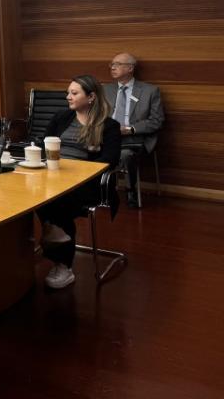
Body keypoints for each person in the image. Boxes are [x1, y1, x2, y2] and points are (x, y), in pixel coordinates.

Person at [38, 75, 121, 289]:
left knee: (56, 200)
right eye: (69, 92)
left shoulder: (109, 125)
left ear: (91, 97)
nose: (68, 97)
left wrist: (73, 171)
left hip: (87, 184)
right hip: (52, 176)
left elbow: (110, 159)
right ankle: (51, 231)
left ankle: (63, 265)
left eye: (74, 93)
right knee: (26, 191)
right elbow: (43, 144)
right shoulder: (61, 117)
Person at [104, 53, 165, 208]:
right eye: (112, 64)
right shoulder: (105, 90)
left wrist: (130, 129)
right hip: (109, 137)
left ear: (130, 68)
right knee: (89, 149)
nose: (112, 67)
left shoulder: (150, 91)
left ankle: (130, 190)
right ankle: (104, 190)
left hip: (136, 138)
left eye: (117, 64)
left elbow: (156, 121)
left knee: (125, 155)